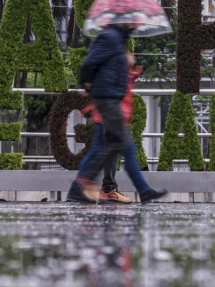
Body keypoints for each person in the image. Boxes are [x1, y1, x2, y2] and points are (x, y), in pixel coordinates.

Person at [68, 23, 167, 204]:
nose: (136, 24)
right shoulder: (110, 38)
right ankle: (83, 184)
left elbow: (109, 70)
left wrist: (126, 65)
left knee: (113, 148)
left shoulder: (117, 40)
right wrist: (86, 84)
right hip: (108, 101)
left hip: (111, 101)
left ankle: (78, 188)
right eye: (133, 21)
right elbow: (89, 64)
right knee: (119, 146)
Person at [68, 65, 142, 204]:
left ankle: (88, 188)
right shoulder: (109, 51)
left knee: (105, 150)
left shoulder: (111, 53)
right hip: (108, 111)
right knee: (106, 150)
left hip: (109, 110)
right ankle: (94, 188)